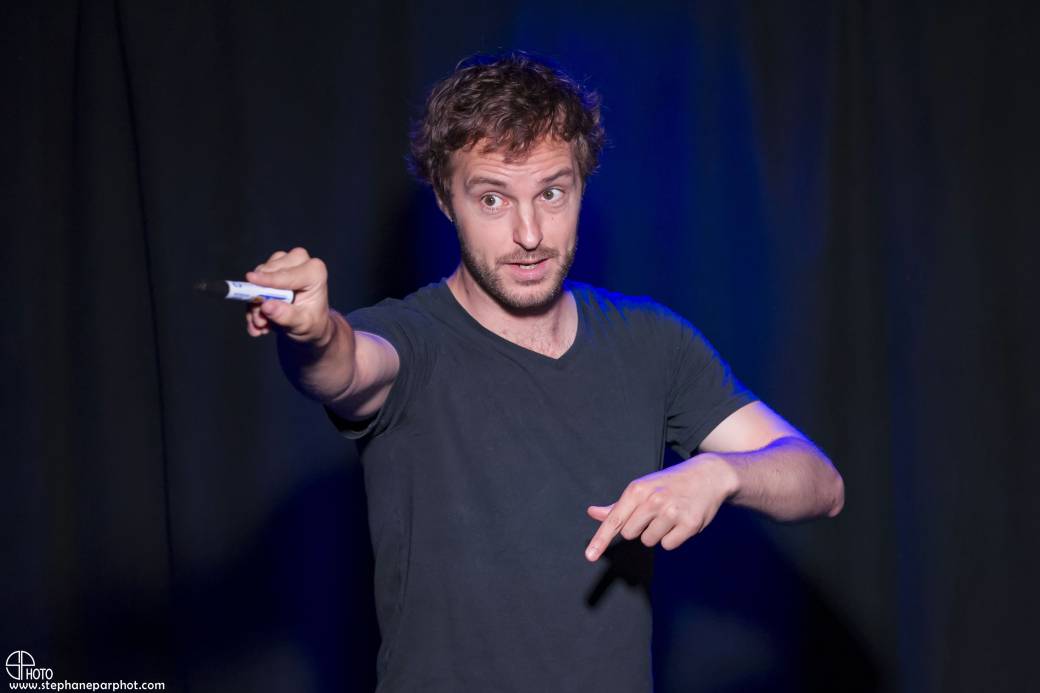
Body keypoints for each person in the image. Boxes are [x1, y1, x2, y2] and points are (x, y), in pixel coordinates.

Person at [243, 52, 844, 693]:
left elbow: (819, 482)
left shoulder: (650, 340)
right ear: (446, 200)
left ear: (582, 185)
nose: (529, 233)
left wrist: (720, 474)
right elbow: (343, 368)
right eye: (493, 199)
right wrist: (313, 334)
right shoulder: (411, 340)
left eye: (551, 193)